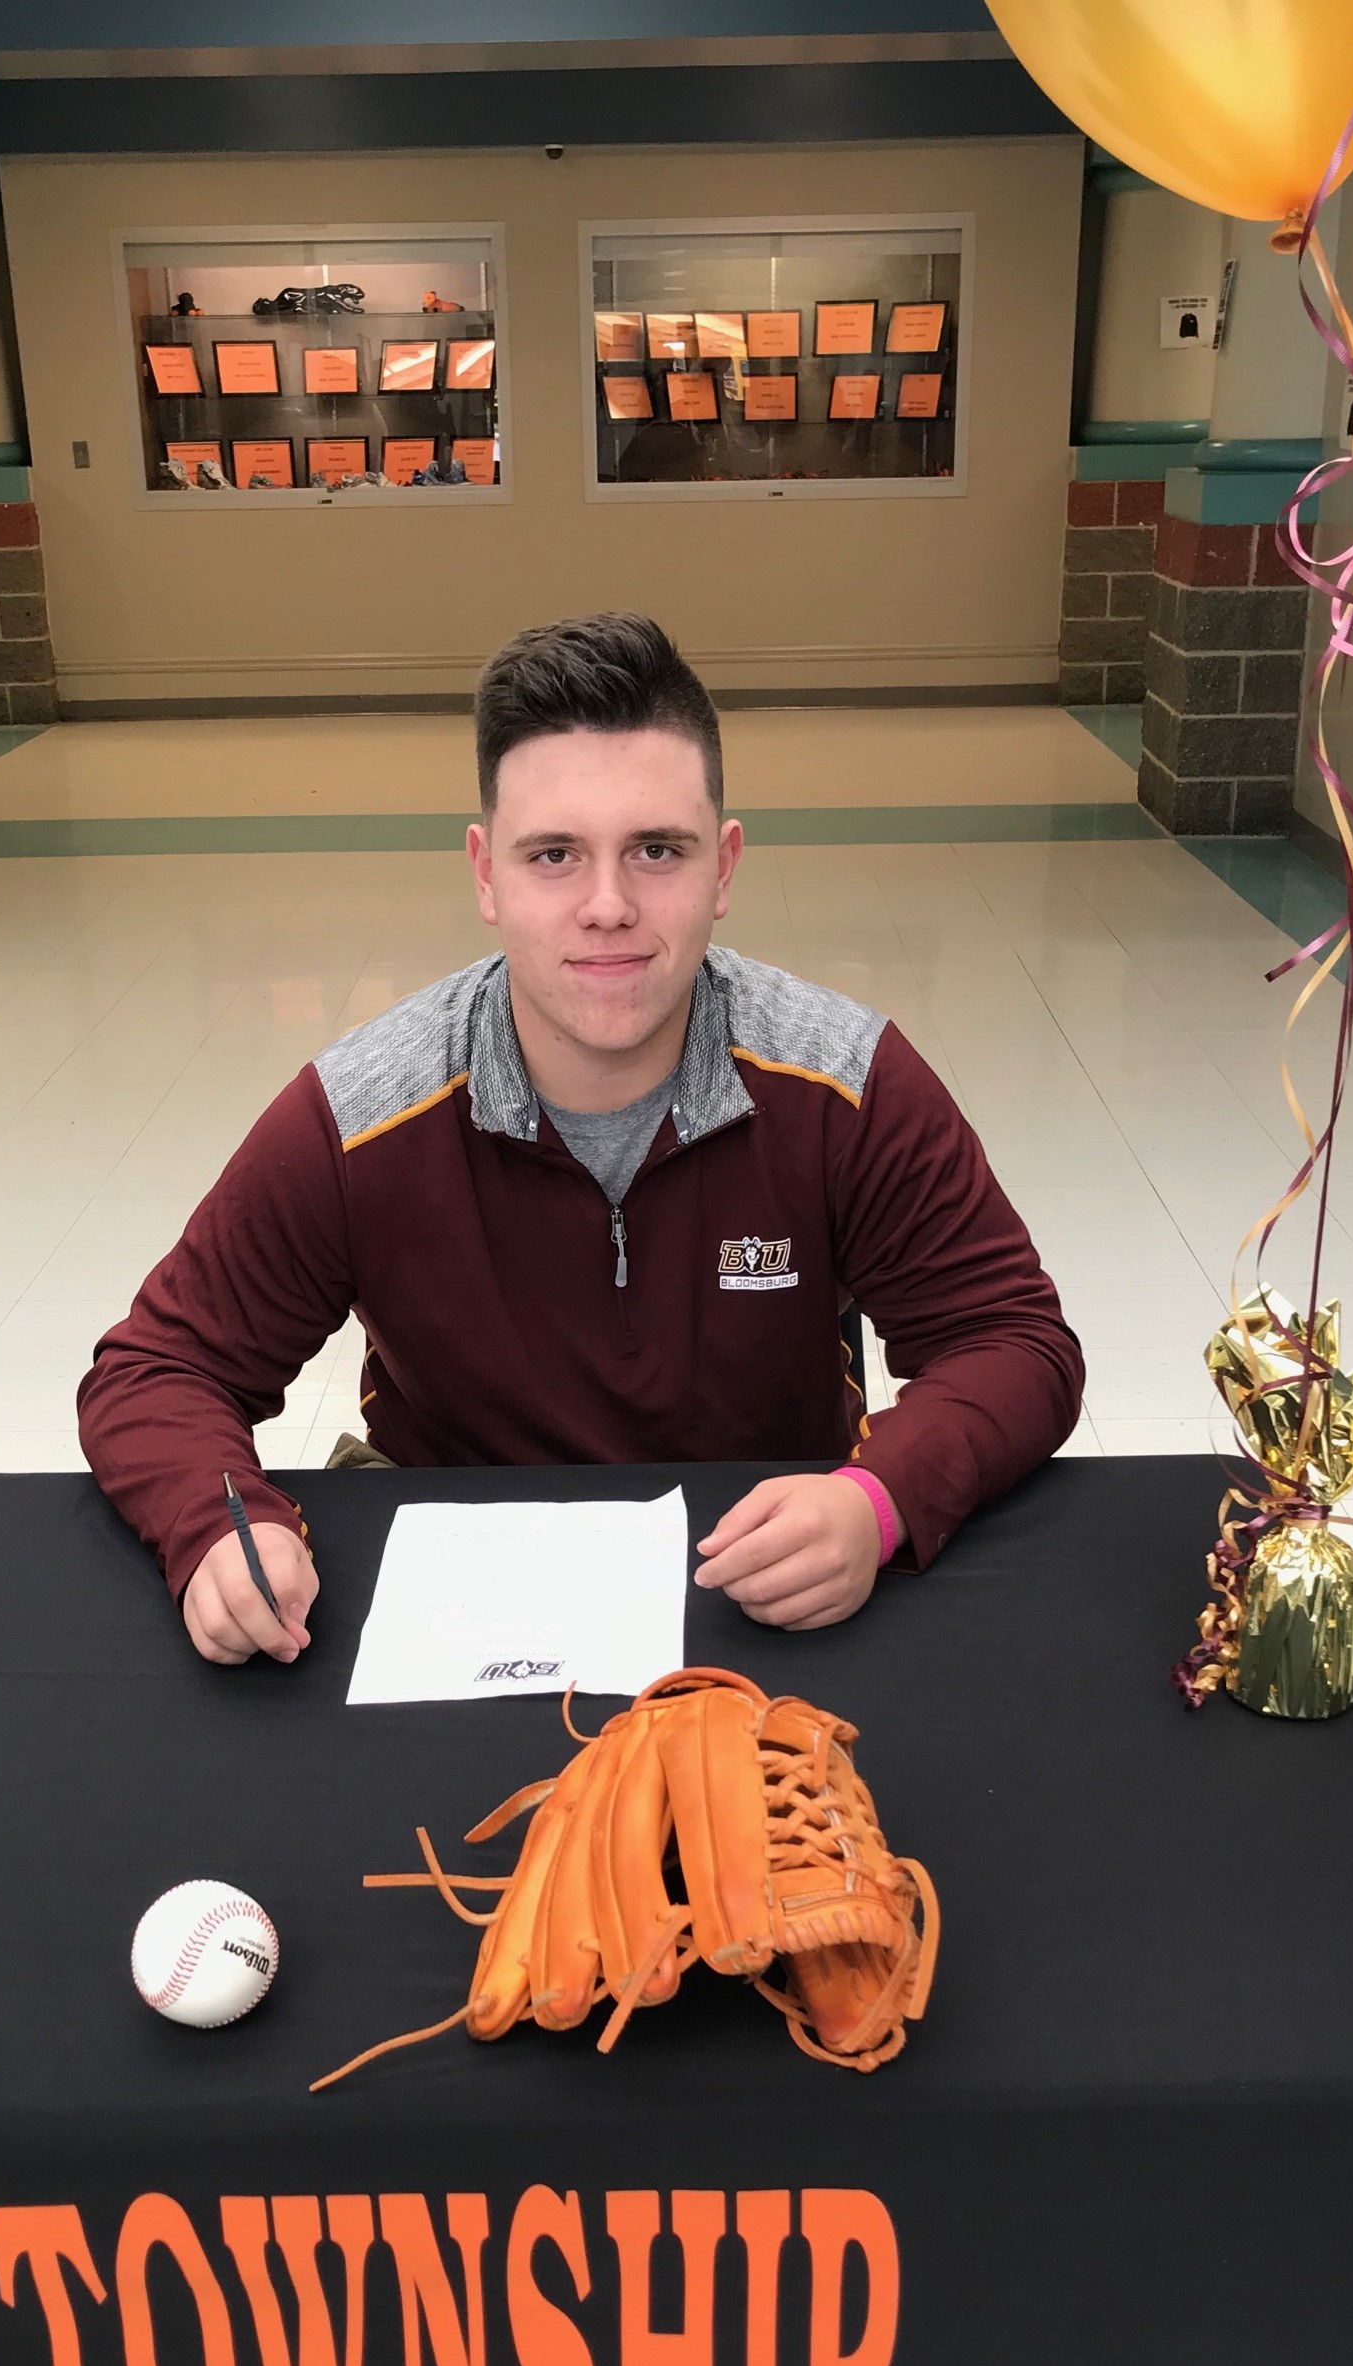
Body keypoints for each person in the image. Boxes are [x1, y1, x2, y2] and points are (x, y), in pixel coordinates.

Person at [77, 611, 1082, 1665]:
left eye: (657, 850)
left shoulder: (846, 1084)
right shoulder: (363, 1114)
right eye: (553, 854)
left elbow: (1014, 1340)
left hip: (762, 1588)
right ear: (485, 874)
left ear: (725, 869)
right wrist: (218, 1528)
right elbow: (157, 1369)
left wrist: (877, 1504)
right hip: (456, 1599)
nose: (607, 906)